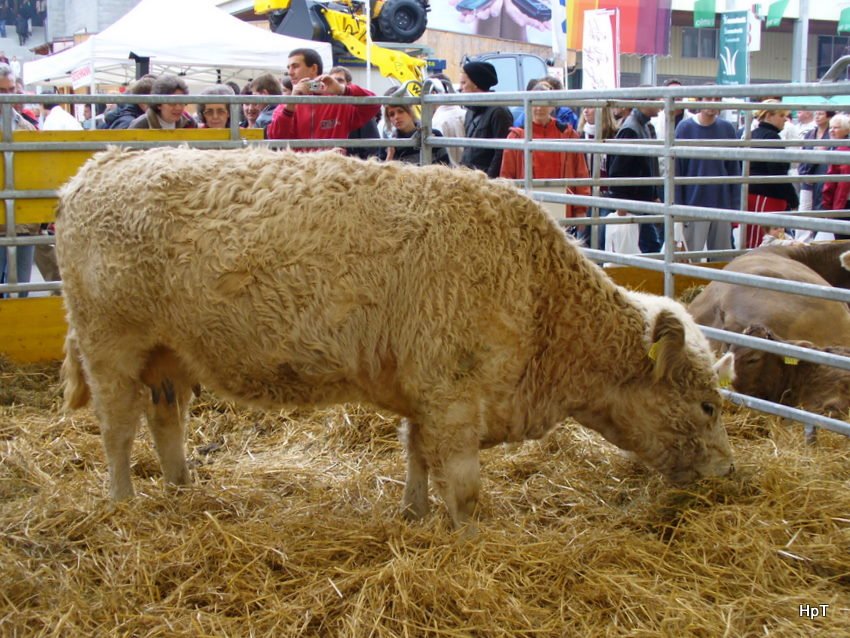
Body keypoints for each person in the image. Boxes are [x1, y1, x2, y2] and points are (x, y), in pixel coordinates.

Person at [499, 80, 590, 232]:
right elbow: (507, 176)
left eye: (544, 102)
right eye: (535, 103)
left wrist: (580, 208)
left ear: (553, 105)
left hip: (562, 209)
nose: (539, 108)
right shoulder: (516, 137)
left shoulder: (568, 135)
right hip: (527, 209)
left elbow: (581, 172)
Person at [265, 47, 380, 148]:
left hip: (330, 170)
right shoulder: (285, 106)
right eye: (288, 67)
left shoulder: (339, 101)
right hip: (300, 170)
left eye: (295, 66)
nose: (290, 72)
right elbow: (276, 139)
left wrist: (342, 89)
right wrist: (291, 103)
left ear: (314, 69)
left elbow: (375, 104)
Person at [674, 96, 741, 258]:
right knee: (690, 255)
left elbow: (733, 168)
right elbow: (677, 169)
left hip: (721, 202)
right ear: (699, 101)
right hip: (693, 203)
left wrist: (734, 205)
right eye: (708, 98)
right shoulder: (684, 128)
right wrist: (678, 207)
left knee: (722, 256)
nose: (712, 103)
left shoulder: (727, 129)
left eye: (716, 99)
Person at [606, 98, 663, 253]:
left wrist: (653, 194)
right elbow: (619, 168)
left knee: (648, 246)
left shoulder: (642, 126)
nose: (661, 103)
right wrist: (621, 203)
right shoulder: (632, 129)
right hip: (633, 201)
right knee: (650, 247)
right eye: (656, 99)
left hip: (638, 200)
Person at [0, 62, 35, 298]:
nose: (8, 96)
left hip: (24, 221)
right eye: (2, 91)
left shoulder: (28, 128)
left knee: (22, 287)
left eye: (11, 89)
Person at [744, 100, 798, 248]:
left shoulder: (753, 135)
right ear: (769, 115)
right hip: (766, 196)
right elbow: (777, 172)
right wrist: (792, 197)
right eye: (781, 115)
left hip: (758, 195)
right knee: (761, 239)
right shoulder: (771, 137)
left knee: (763, 238)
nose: (785, 120)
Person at [459, 60, 512, 177]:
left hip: (485, 182)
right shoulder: (470, 111)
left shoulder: (499, 111)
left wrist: (489, 181)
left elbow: (501, 153)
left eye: (463, 83)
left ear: (476, 84)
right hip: (470, 179)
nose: (460, 88)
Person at [329, 65, 381, 160]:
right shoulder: (326, 110)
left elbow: (371, 150)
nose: (334, 85)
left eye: (339, 81)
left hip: (354, 168)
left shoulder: (358, 110)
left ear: (349, 85)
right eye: (331, 82)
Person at [381, 102, 450, 166]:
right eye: (391, 114)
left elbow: (445, 168)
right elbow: (381, 177)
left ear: (410, 112)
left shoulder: (433, 135)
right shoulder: (387, 144)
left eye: (401, 111)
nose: (396, 117)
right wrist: (390, 156)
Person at [796, 110, 835, 219]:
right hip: (807, 178)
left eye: (821, 114)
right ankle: (803, 236)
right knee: (804, 209)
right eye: (816, 114)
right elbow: (802, 155)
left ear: (829, 117)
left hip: (823, 179)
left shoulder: (832, 135)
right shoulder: (809, 134)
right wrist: (803, 174)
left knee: (820, 209)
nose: (817, 117)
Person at [818, 113, 850, 241]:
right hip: (842, 202)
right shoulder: (835, 149)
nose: (832, 130)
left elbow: (830, 183)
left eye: (836, 127)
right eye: (831, 127)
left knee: (842, 243)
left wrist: (827, 207)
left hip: (842, 204)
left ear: (847, 129)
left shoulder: (840, 152)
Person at [129, 75, 197, 129]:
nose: (178, 107)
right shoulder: (141, 125)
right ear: (159, 104)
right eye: (172, 102)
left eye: (182, 102)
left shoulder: (189, 123)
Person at [512, 75, 578, 131]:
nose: (539, 108)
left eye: (544, 102)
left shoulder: (566, 117)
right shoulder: (519, 129)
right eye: (536, 101)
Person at [428, 72, 465, 166]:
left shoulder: (435, 123)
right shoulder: (466, 114)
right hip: (469, 173)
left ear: (433, 94)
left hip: (448, 175)